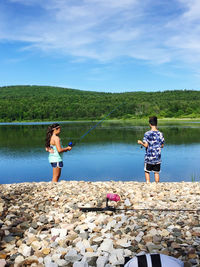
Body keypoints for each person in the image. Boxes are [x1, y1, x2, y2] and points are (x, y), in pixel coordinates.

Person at [137, 116, 164, 183]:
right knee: (156, 172)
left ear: (150, 124)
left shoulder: (147, 134)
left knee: (147, 171)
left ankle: (148, 183)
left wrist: (141, 143)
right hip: (157, 157)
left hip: (149, 157)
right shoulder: (160, 134)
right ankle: (157, 184)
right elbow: (162, 146)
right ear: (156, 123)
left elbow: (146, 145)